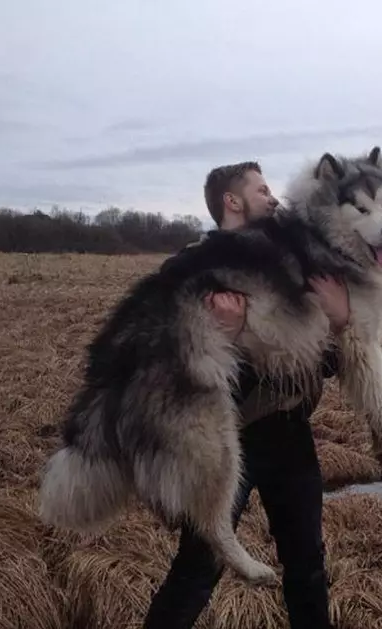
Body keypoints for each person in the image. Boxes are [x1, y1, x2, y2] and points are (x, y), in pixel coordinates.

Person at [143, 162, 350, 629]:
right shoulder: (188, 270)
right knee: (198, 569)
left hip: (291, 435)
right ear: (231, 202)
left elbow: (326, 365)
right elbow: (174, 372)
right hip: (219, 440)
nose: (275, 198)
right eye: (263, 189)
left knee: (307, 566)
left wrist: (339, 322)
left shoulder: (287, 267)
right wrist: (229, 337)